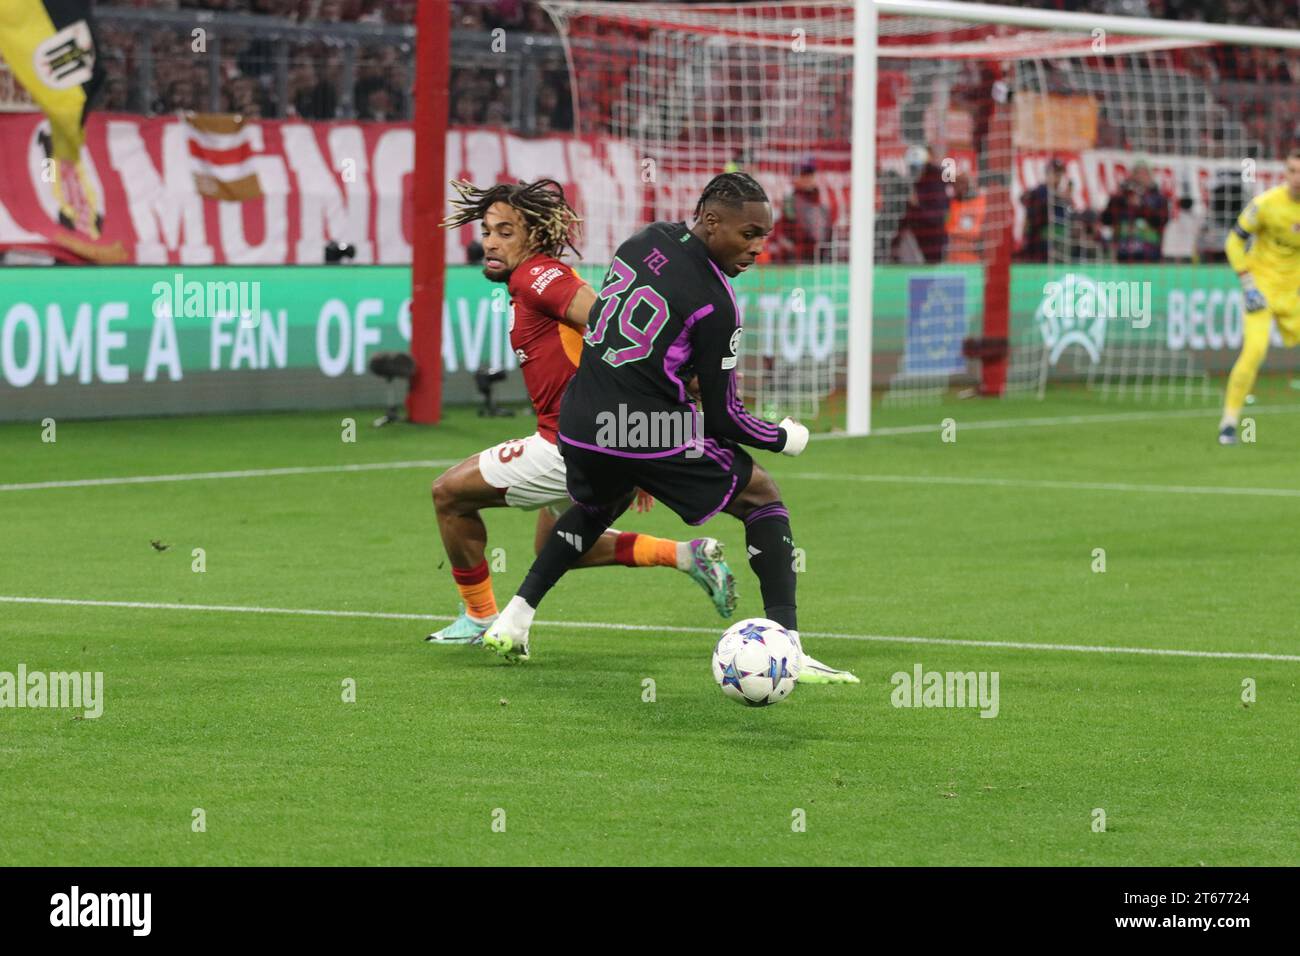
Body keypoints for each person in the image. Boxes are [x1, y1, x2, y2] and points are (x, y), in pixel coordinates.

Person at [480, 172, 859, 685]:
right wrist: (783, 436)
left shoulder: (643, 240)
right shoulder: (717, 304)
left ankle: (514, 619)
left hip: (579, 421)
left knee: (597, 505)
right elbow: (724, 417)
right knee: (761, 495)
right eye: (748, 234)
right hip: (642, 427)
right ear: (710, 221)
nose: (757, 248)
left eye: (763, 237)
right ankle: (788, 645)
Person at [428, 179, 738, 645]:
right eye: (487, 230)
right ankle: (687, 556)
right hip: (606, 436)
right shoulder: (535, 277)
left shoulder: (537, 277)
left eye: (505, 231)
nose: (490, 242)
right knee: (558, 546)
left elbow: (614, 325)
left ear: (534, 236)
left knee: (449, 494)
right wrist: (637, 436)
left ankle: (478, 617)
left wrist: (638, 430)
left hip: (567, 443)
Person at [1218, 149, 1300, 445]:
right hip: (1261, 291)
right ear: (1285, 173)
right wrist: (1247, 283)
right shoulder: (1265, 205)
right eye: (1293, 171)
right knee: (1254, 351)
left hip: (1293, 296)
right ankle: (1228, 423)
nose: (1297, 179)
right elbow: (1233, 241)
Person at [1100, 158, 1169, 263]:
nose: (1140, 176)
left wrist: (1141, 206)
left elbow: (1161, 221)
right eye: (1137, 172)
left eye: (1144, 172)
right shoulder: (1120, 197)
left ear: (1150, 176)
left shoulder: (1159, 199)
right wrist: (1120, 198)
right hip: (1123, 254)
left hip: (1150, 255)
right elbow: (1106, 219)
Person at [771, 157, 831, 263]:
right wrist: (792, 251)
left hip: (819, 262)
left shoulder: (821, 205)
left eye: (810, 174)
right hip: (794, 262)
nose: (807, 178)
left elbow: (826, 236)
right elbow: (779, 234)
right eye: (803, 174)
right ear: (795, 177)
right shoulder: (789, 203)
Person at [944, 172, 985, 263]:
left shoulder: (982, 203)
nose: (956, 189)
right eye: (956, 185)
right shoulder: (953, 204)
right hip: (954, 259)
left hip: (974, 260)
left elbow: (977, 232)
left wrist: (957, 232)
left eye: (961, 184)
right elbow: (948, 228)